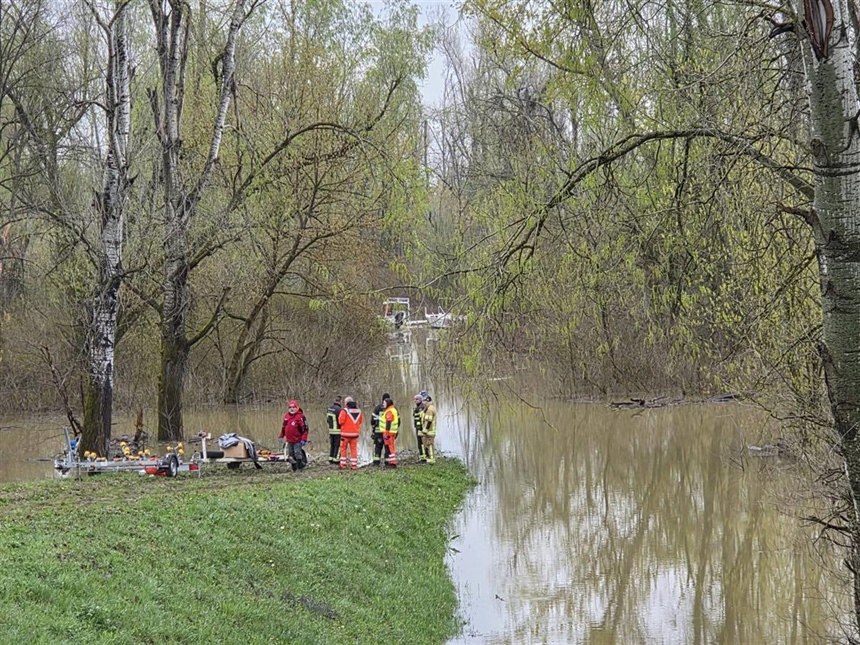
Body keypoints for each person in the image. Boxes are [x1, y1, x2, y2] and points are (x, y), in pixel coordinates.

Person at [279, 399, 309, 471]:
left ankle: (300, 467)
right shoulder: (286, 416)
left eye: (293, 407)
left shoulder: (300, 417)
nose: (291, 409)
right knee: (291, 454)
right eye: (290, 407)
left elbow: (305, 429)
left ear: (297, 408)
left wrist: (304, 439)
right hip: (289, 440)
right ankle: (294, 468)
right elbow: (284, 427)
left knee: (297, 453)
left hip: (297, 440)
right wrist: (281, 436)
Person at [337, 396, 363, 470]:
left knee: (343, 449)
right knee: (354, 449)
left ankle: (343, 464)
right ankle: (354, 465)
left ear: (346, 403)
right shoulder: (359, 411)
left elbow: (340, 422)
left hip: (345, 434)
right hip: (355, 434)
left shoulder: (344, 411)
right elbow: (360, 421)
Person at [370, 392, 389, 466]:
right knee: (387, 447)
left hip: (378, 432)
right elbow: (398, 421)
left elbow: (372, 420)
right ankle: (387, 462)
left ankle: (376, 462)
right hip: (388, 432)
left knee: (378, 447)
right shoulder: (392, 408)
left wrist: (374, 427)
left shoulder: (377, 408)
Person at [380, 397, 400, 467]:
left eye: (384, 403)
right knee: (390, 447)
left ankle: (392, 463)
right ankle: (391, 462)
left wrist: (386, 433)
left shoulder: (389, 411)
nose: (383, 404)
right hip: (392, 431)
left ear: (388, 404)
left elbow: (388, 422)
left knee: (389, 447)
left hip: (389, 432)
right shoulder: (393, 409)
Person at [420, 393, 438, 464]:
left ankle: (431, 459)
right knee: (427, 444)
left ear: (428, 402)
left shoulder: (430, 410)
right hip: (429, 431)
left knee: (429, 444)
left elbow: (429, 421)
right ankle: (429, 458)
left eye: (424, 401)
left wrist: (425, 430)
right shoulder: (428, 408)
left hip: (429, 431)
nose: (423, 403)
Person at [326, 395, 343, 466]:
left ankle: (330, 458)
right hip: (338, 431)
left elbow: (327, 420)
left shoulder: (329, 408)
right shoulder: (339, 410)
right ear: (340, 401)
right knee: (337, 445)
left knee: (332, 445)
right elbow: (341, 421)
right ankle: (336, 460)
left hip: (331, 430)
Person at [412, 393, 426, 461]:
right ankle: (422, 457)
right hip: (418, 427)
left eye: (416, 399)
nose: (415, 400)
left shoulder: (421, 407)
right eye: (414, 399)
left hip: (420, 428)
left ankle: (423, 458)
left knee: (421, 443)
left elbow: (422, 418)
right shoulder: (418, 407)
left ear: (420, 400)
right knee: (419, 443)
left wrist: (421, 427)